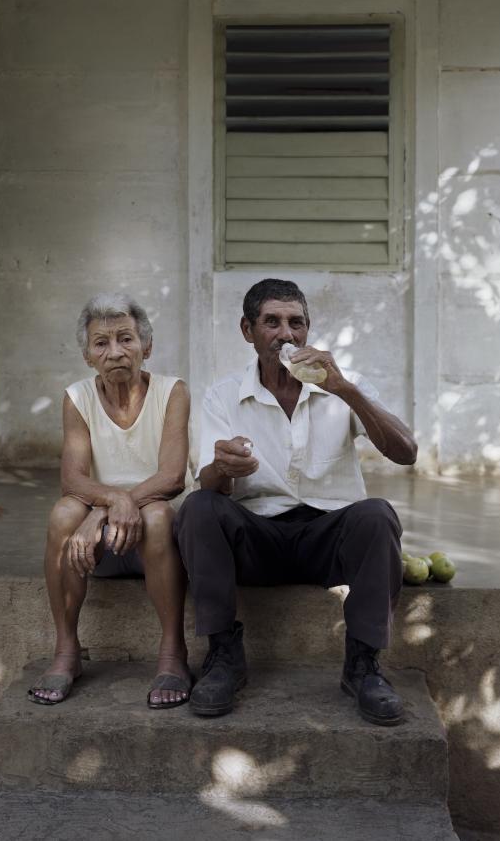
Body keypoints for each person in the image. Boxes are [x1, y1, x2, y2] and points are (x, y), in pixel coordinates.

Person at [175, 279, 417, 725]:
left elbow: (406, 452)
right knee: (198, 507)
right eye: (272, 322)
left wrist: (345, 389)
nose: (286, 334)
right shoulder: (223, 395)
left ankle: (363, 666)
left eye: (296, 323)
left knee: (376, 514)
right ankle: (223, 654)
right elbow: (208, 483)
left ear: (307, 331)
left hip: (327, 541)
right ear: (248, 331)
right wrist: (224, 469)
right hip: (258, 539)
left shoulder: (345, 387)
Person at [29, 293, 194, 709]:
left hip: (154, 537)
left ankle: (173, 652)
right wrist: (105, 506)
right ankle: (67, 651)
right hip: (97, 543)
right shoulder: (78, 397)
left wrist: (108, 507)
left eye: (126, 338)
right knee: (65, 512)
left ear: (146, 347)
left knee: (156, 515)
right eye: (101, 343)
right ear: (88, 356)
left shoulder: (172, 392)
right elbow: (72, 478)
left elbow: (172, 477)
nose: (115, 351)